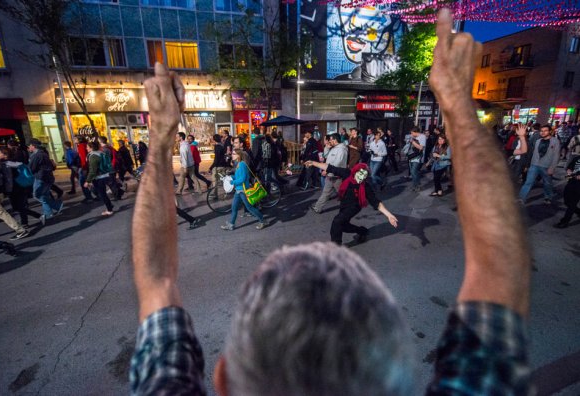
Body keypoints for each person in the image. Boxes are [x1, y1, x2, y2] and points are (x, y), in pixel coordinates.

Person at [130, 18, 532, 392]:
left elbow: (156, 278)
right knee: (341, 224)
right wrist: (460, 107)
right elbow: (499, 266)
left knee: (341, 225)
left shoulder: (365, 179)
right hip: (350, 208)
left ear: (222, 380)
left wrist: (161, 136)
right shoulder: (350, 171)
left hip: (349, 213)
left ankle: (345, 235)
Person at [305, 160, 398, 245]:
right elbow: (330, 167)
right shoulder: (347, 173)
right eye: (360, 174)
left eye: (364, 176)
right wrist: (313, 163)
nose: (361, 178)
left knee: (337, 222)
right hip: (344, 204)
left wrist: (389, 215)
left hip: (354, 206)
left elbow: (376, 203)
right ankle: (362, 231)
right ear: (355, 172)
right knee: (343, 226)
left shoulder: (365, 186)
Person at [219, 149, 266, 231]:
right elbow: (238, 176)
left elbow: (243, 178)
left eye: (234, 154)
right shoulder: (238, 164)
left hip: (243, 190)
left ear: (238, 156)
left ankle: (263, 221)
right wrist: (228, 178)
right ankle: (231, 225)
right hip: (238, 190)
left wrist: (232, 182)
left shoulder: (242, 165)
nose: (232, 155)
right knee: (234, 208)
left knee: (250, 208)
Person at [0, 148, 40, 228]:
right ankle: (37, 217)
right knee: (18, 207)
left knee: (19, 207)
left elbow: (8, 178)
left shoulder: (6, 165)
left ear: (5, 155)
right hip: (21, 186)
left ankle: (25, 223)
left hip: (14, 188)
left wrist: (5, 189)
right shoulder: (15, 162)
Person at [518, 125, 560, 204]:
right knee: (528, 182)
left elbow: (556, 156)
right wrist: (528, 165)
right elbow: (533, 154)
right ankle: (521, 198)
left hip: (546, 166)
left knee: (547, 183)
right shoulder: (538, 141)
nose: (543, 132)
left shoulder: (555, 141)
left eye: (545, 131)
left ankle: (548, 196)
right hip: (534, 165)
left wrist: (552, 167)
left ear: (550, 131)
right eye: (541, 131)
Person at [309, 133, 348, 214]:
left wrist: (327, 170)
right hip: (330, 175)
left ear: (335, 140)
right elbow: (325, 155)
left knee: (343, 193)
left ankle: (350, 206)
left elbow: (337, 163)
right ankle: (317, 208)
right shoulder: (334, 148)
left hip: (337, 176)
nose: (329, 141)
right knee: (325, 193)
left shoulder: (341, 149)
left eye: (330, 139)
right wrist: (327, 147)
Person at [28, 139, 63, 225]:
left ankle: (56, 205)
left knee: (37, 195)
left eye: (30, 145)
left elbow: (31, 168)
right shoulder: (43, 153)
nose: (29, 147)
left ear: (33, 146)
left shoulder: (36, 155)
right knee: (45, 195)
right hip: (48, 177)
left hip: (41, 178)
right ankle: (49, 214)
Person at [84, 141, 114, 216]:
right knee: (102, 193)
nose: (86, 148)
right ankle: (109, 205)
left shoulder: (93, 156)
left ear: (91, 148)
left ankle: (109, 210)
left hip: (99, 178)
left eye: (87, 147)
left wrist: (88, 181)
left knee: (102, 194)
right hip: (105, 175)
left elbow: (92, 170)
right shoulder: (101, 153)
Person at [553, 154, 580, 228]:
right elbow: (569, 167)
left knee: (572, 204)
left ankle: (564, 222)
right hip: (571, 182)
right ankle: (578, 212)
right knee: (567, 201)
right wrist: (569, 172)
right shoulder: (577, 158)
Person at [407, 126, 426, 192]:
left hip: (418, 157)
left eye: (412, 133)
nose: (411, 134)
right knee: (414, 172)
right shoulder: (413, 137)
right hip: (411, 156)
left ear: (415, 132)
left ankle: (417, 185)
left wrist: (413, 142)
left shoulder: (422, 137)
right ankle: (415, 185)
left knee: (413, 171)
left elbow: (421, 148)